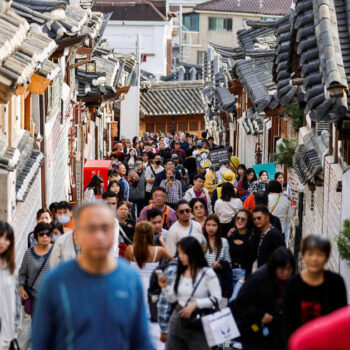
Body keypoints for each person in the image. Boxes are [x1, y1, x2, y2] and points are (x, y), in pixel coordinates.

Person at [32, 202, 153, 350]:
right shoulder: (55, 282)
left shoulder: (130, 279)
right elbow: (41, 343)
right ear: (77, 234)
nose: (99, 236)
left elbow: (141, 341)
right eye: (91, 229)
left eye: (105, 228)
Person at [158, 236, 222, 350]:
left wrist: (196, 304)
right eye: (179, 253)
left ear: (193, 253)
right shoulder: (180, 272)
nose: (180, 257)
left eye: (184, 253)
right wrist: (165, 287)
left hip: (199, 322)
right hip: (178, 319)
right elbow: (173, 299)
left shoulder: (207, 273)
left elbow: (217, 298)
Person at [283, 235, 347, 341]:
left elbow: (340, 320)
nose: (314, 259)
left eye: (320, 254)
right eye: (310, 254)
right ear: (303, 255)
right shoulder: (293, 284)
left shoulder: (336, 282)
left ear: (326, 257)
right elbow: (287, 323)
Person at [233, 247, 295, 350]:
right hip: (253, 331)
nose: (286, 273)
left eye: (289, 269)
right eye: (282, 269)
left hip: (275, 335)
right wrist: (260, 315)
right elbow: (241, 303)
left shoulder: (291, 282)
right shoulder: (259, 279)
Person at [125, 221, 172, 350]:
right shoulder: (159, 251)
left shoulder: (130, 250)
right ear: (152, 235)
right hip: (154, 288)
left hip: (136, 288)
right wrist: (162, 241)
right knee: (154, 319)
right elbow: (173, 260)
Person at [19, 222, 53, 313]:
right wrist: (21, 289)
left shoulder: (57, 251)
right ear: (36, 236)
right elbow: (22, 274)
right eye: (41, 234)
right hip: (35, 298)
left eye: (48, 234)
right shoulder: (29, 253)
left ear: (51, 236)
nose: (45, 236)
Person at [0, 222, 21, 350]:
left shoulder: (10, 267)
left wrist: (13, 332)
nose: (3, 242)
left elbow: (15, 301)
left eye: (7, 239)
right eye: (0, 237)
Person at [227, 209, 254, 300]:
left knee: (234, 301)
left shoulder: (251, 238)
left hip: (243, 273)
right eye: (237, 218)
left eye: (243, 219)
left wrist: (246, 278)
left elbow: (251, 260)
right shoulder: (231, 235)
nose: (239, 221)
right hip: (230, 273)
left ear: (248, 221)